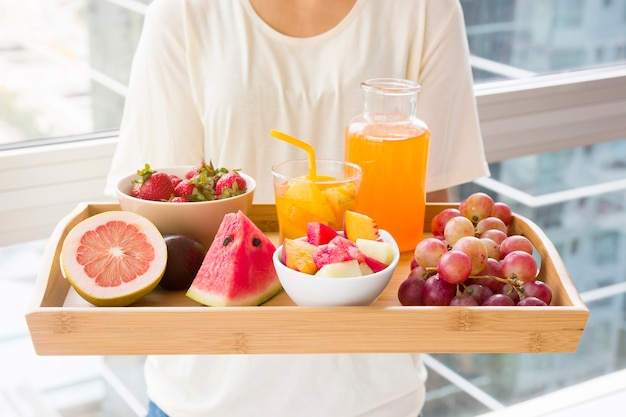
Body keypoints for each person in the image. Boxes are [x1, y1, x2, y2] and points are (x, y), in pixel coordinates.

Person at [105, 0, 490, 416]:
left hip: (374, 399)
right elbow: (155, 209)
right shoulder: (181, 10)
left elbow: (432, 230)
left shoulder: (427, 10)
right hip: (202, 397)